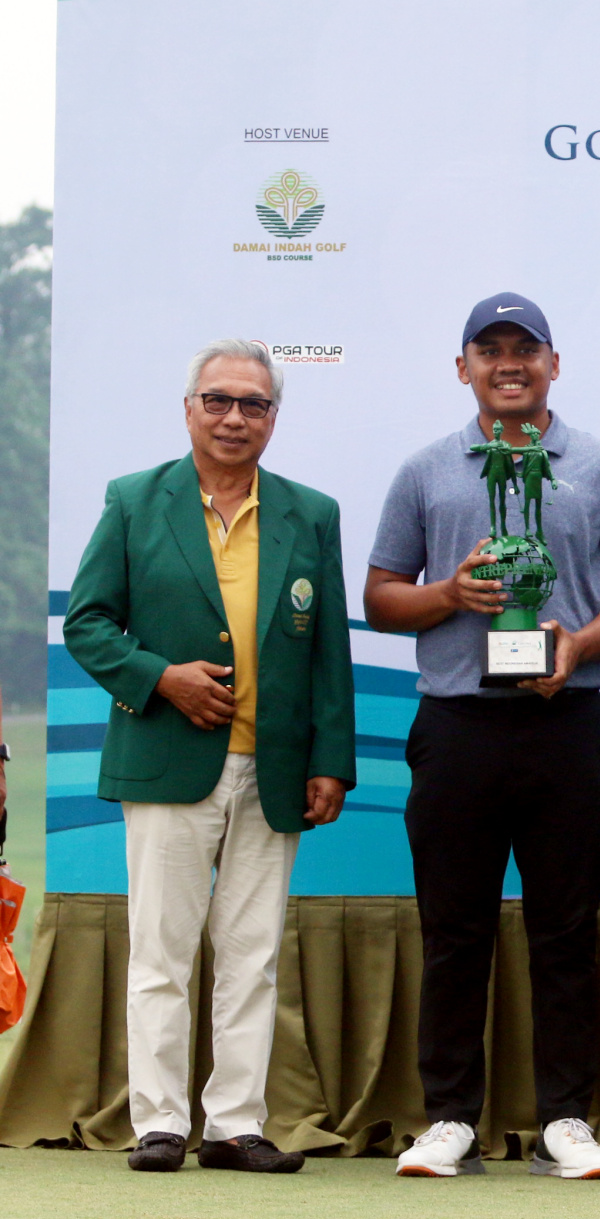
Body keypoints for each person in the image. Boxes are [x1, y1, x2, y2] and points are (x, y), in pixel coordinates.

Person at [365, 293, 600, 1180]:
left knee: (566, 931)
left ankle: (565, 1120)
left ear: (553, 364)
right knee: (454, 931)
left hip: (567, 724)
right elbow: (381, 598)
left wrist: (578, 645)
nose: (508, 364)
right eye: (489, 350)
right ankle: (450, 1118)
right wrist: (449, 595)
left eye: (525, 348)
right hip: (457, 725)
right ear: (464, 368)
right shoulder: (425, 470)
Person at [64, 338, 354, 1174]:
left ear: (274, 417)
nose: (234, 418)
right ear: (188, 408)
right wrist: (162, 679)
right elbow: (87, 623)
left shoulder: (312, 513)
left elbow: (328, 649)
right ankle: (159, 1122)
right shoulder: (133, 500)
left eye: (253, 404)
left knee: (252, 955)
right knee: (161, 952)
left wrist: (331, 759)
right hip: (167, 759)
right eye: (218, 400)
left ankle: (234, 1124)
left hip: (275, 767)